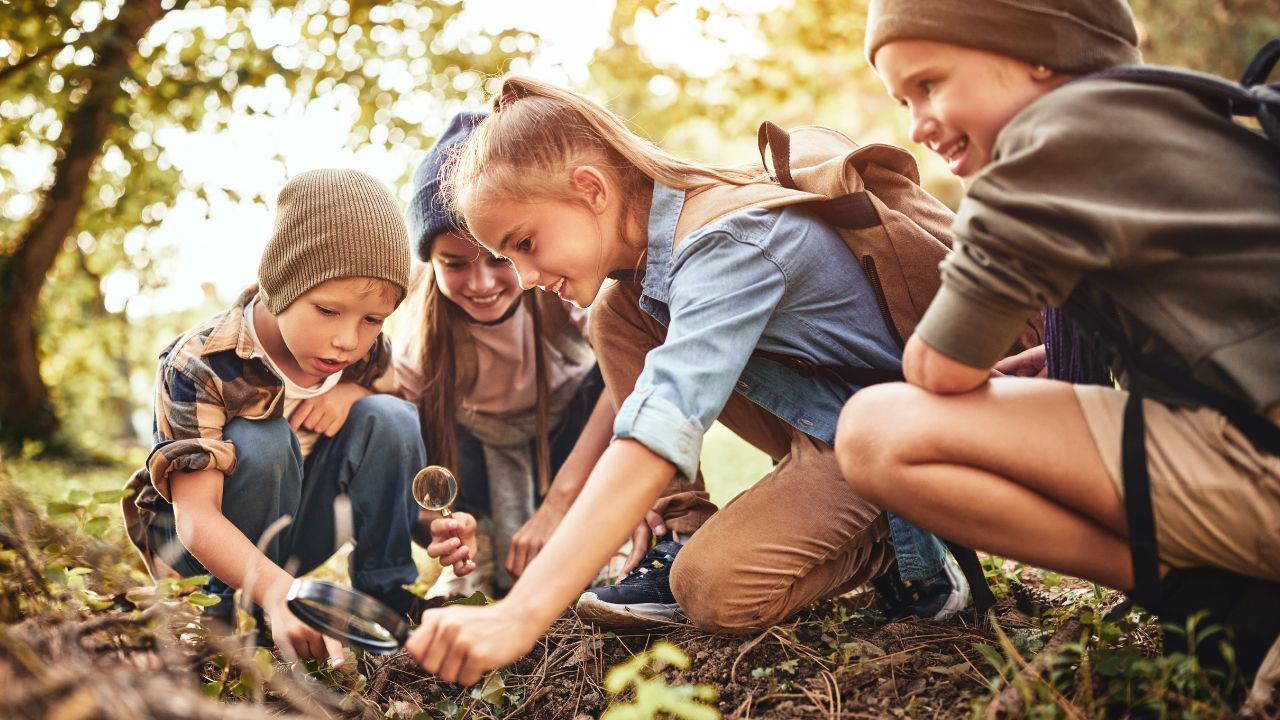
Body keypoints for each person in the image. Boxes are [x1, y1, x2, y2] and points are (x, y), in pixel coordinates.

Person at [401, 76, 973, 685]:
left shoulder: (727, 241)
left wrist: (520, 614)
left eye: (525, 244)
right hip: (832, 422)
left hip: (905, 438)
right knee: (617, 313)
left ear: (590, 189)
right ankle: (685, 528)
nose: (528, 276)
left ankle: (914, 538)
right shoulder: (639, 279)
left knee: (714, 589)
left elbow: (661, 422)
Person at [836, 0, 1280, 690]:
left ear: (1039, 53)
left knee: (875, 429)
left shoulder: (1050, 139)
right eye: (902, 100)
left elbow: (938, 368)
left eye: (929, 84)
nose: (917, 125)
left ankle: (1202, 591)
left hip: (1264, 475)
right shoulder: (1163, 109)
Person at [121, 169, 429, 666]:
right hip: (200, 552)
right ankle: (214, 624)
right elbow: (195, 517)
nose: (348, 339)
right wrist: (277, 590)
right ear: (282, 286)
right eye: (328, 310)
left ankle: (387, 596)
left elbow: (396, 388)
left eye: (372, 319)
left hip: (288, 536)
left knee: (391, 416)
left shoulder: (358, 356)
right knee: (262, 438)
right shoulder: (203, 363)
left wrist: (351, 392)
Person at [396, 111, 627, 597]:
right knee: (404, 420)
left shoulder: (562, 293)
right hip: (480, 465)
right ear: (430, 263)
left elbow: (631, 378)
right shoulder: (421, 344)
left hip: (565, 454)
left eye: (499, 259)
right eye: (454, 264)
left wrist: (557, 506)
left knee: (617, 377)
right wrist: (441, 522)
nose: (481, 284)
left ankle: (603, 542)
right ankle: (476, 556)